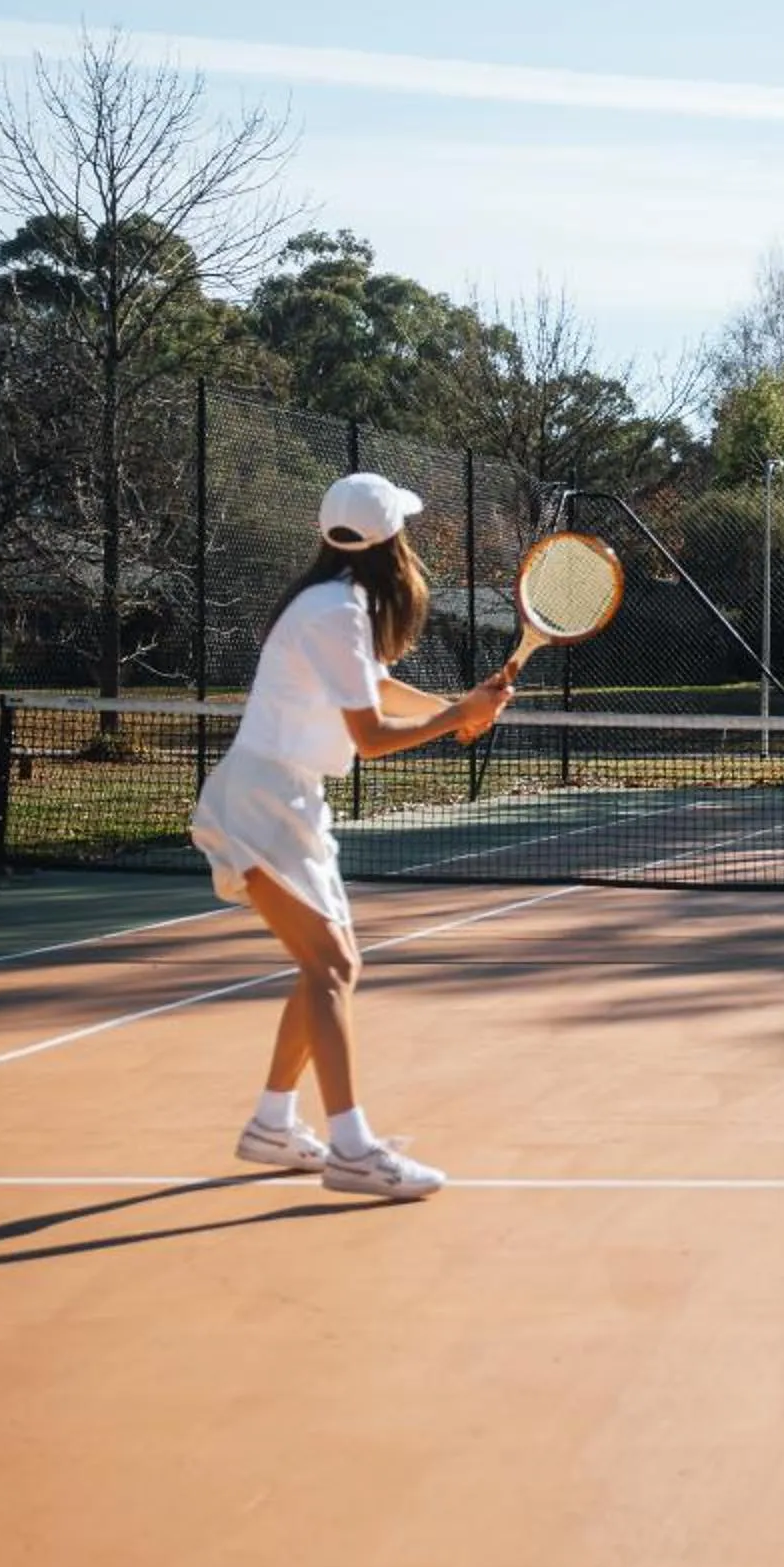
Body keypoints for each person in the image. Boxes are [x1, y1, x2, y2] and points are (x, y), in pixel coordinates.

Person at [190, 473, 514, 1201]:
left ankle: (273, 1124)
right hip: (265, 798)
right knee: (332, 965)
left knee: (330, 964)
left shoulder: (333, 605)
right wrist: (450, 717)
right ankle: (353, 1150)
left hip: (285, 796)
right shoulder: (334, 611)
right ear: (390, 544)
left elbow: (377, 690)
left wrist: (459, 710)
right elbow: (368, 736)